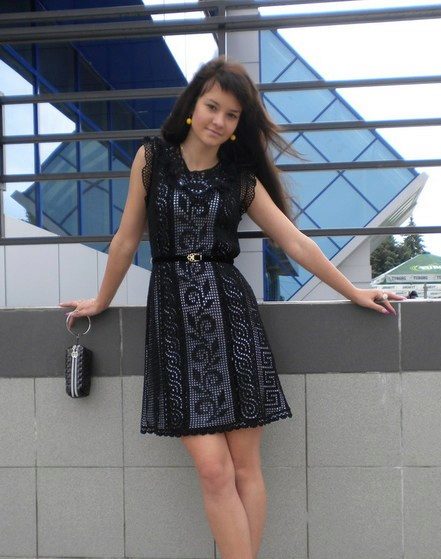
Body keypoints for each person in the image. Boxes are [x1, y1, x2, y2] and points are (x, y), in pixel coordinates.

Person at [60, 56, 405, 559]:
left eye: (231, 115)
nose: (218, 120)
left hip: (231, 319)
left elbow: (295, 241)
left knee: (245, 469)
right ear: (192, 105)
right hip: (174, 320)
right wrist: (101, 300)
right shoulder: (152, 159)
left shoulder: (239, 179)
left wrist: (353, 290)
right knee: (213, 469)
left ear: (239, 124)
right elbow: (126, 240)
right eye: (212, 106)